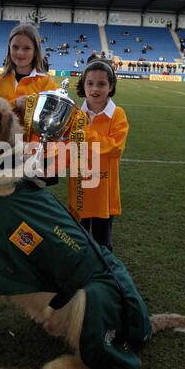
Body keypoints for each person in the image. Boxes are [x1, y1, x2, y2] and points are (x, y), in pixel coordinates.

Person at [68, 61, 129, 252]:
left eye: (101, 84)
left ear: (111, 86)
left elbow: (115, 147)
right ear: (83, 85)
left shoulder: (117, 114)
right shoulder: (74, 114)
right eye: (90, 83)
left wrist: (83, 135)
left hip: (105, 192)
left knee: (103, 244)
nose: (95, 89)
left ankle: (106, 279)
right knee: (78, 243)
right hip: (79, 190)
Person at [0, 23, 57, 126]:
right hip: (3, 141)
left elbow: (53, 119)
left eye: (26, 48)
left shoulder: (47, 84)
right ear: (9, 48)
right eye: (15, 47)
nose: (20, 53)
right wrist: (15, 104)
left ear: (35, 51)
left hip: (33, 142)